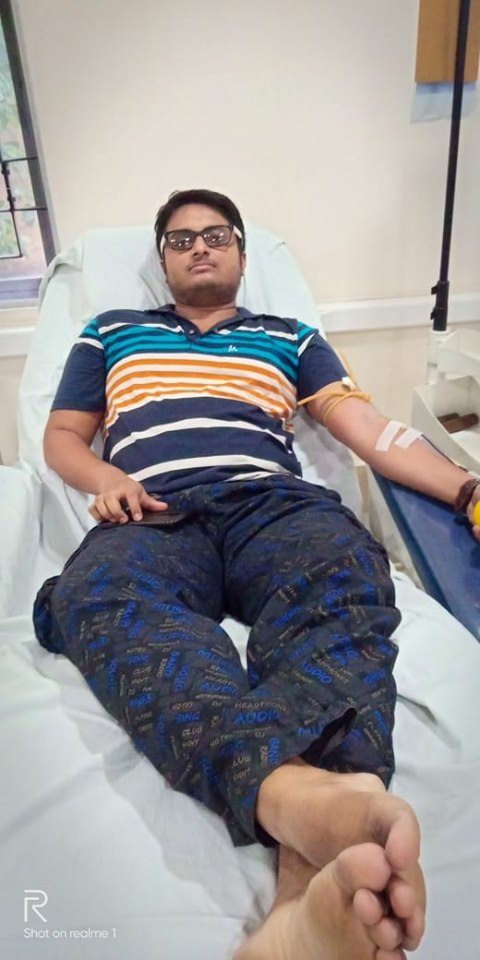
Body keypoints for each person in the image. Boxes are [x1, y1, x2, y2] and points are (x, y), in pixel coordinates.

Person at [33, 188, 479, 960]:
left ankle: (304, 889)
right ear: (163, 260)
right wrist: (104, 479)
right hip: (152, 509)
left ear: (241, 251)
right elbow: (64, 434)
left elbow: (369, 429)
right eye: (180, 239)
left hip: (271, 504)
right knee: (96, 594)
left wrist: (468, 491)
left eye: (216, 234)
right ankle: (301, 802)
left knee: (340, 579)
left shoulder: (290, 335)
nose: (199, 247)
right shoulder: (111, 330)